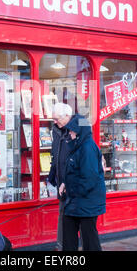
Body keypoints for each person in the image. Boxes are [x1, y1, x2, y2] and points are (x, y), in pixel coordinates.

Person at [61, 115, 106, 251]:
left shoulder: (87, 148)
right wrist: (65, 184)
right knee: (69, 233)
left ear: (80, 131)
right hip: (76, 201)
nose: (70, 133)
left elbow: (89, 179)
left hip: (87, 202)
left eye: (72, 130)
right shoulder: (78, 146)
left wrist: (70, 189)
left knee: (89, 239)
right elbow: (74, 172)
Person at [48, 102, 73, 251]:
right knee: (62, 214)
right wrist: (52, 176)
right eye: (53, 119)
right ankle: (61, 246)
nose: (55, 122)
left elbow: (78, 160)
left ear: (67, 116)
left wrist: (68, 181)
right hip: (61, 182)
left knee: (80, 219)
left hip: (74, 183)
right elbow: (55, 155)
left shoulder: (77, 132)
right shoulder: (56, 131)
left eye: (57, 119)